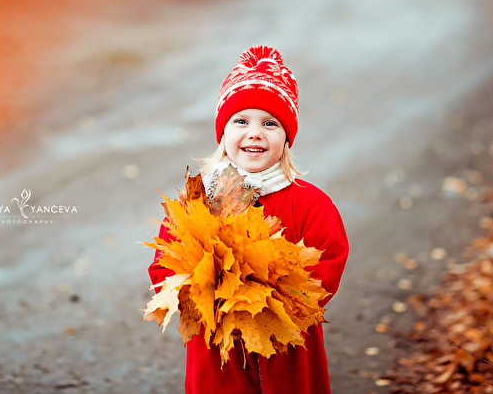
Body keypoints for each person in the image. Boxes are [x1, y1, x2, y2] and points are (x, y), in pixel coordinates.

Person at [148, 45, 349, 394]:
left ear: (287, 138)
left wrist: (265, 310)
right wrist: (210, 302)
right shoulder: (199, 201)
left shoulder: (310, 204)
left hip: (285, 353)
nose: (255, 133)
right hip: (217, 354)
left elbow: (326, 266)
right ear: (223, 134)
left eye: (270, 124)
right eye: (241, 121)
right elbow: (166, 266)